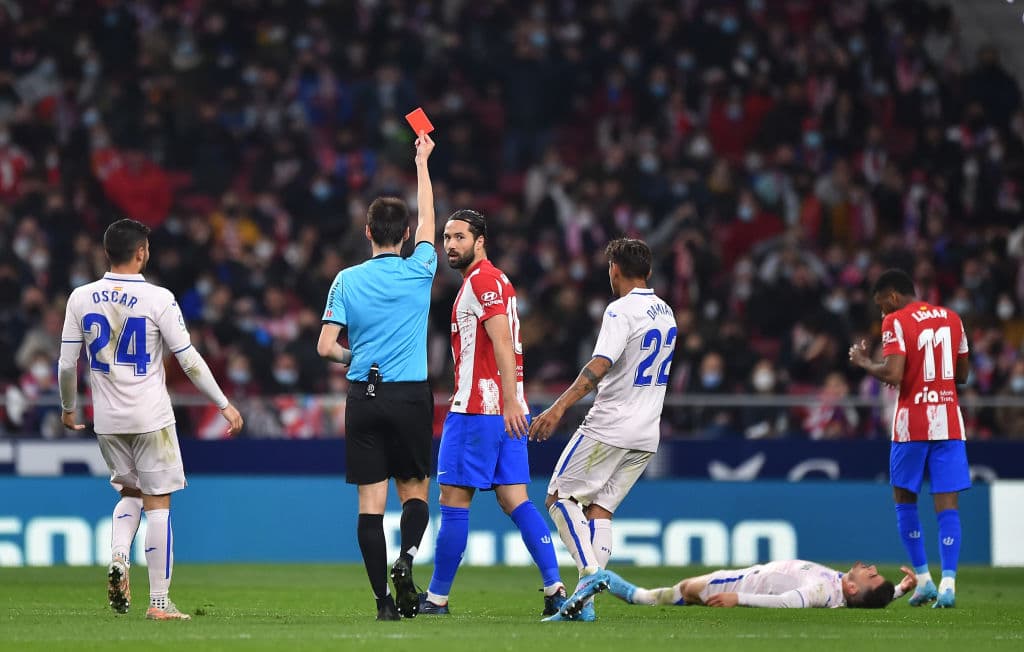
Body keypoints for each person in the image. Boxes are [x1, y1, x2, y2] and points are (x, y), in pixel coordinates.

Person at [57, 218, 244, 621]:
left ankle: (119, 558)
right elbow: (188, 360)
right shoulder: (158, 298)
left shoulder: (80, 298)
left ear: (107, 252)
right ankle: (159, 603)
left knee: (129, 494)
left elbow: (66, 365)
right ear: (141, 252)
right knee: (158, 505)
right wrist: (223, 403)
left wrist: (69, 407)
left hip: (107, 420)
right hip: (151, 418)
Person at [420, 209, 565, 616]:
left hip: (478, 409)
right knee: (516, 500)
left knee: (452, 500)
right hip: (505, 411)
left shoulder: (482, 281)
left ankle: (436, 598)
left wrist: (509, 400)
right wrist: (514, 400)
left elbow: (501, 340)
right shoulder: (500, 280)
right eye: (446, 238)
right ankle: (555, 587)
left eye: (460, 237)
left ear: (480, 240)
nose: (450, 245)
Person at [317, 133, 437, 621]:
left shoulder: (346, 279)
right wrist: (422, 162)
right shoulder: (421, 268)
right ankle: (406, 560)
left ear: (367, 232)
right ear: (405, 235)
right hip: (410, 397)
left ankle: (383, 604)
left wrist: (357, 359)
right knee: (415, 491)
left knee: (370, 507)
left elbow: (325, 346)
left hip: (364, 396)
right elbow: (430, 216)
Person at [529, 238, 676, 622]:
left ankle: (593, 576)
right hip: (648, 432)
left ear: (615, 269)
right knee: (599, 510)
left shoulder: (620, 310)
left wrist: (558, 407)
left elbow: (599, 365)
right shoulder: (666, 312)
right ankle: (585, 605)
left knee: (560, 496)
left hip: (610, 425)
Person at [849, 268, 971, 609]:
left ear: (891, 297)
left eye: (881, 306)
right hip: (948, 421)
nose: (882, 314)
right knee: (947, 505)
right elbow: (962, 374)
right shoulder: (952, 318)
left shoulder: (896, 321)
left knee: (905, 500)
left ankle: (924, 579)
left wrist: (863, 362)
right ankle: (948, 583)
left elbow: (892, 373)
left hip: (912, 423)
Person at [554, 560, 915, 617]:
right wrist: (897, 590)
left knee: (662, 595)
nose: (869, 567)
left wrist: (737, 598)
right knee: (666, 595)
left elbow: (790, 602)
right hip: (741, 578)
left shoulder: (823, 590)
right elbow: (869, 599)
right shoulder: (842, 584)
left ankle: (604, 581)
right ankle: (606, 582)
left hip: (732, 583)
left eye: (870, 575)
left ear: (852, 590)